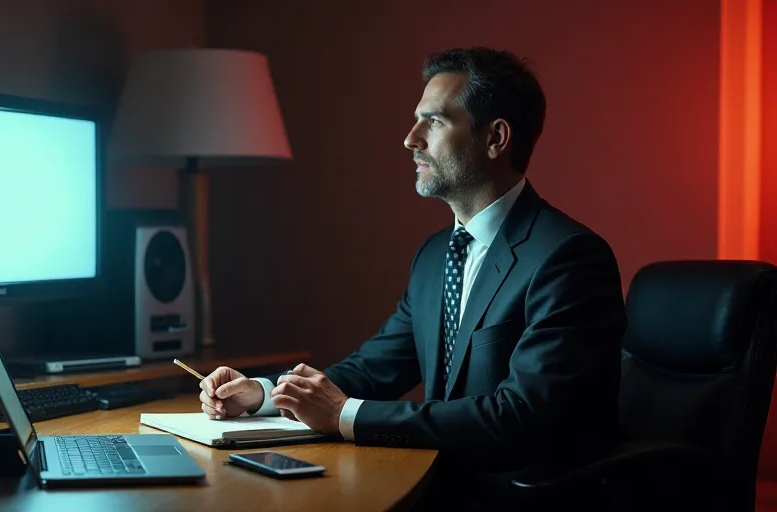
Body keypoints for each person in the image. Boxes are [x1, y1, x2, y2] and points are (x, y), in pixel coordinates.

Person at [198, 47, 627, 506]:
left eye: (435, 121)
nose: (410, 139)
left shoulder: (569, 258)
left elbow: (519, 419)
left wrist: (345, 415)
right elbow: (374, 370)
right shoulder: (435, 255)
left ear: (496, 137)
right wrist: (264, 394)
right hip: (436, 484)